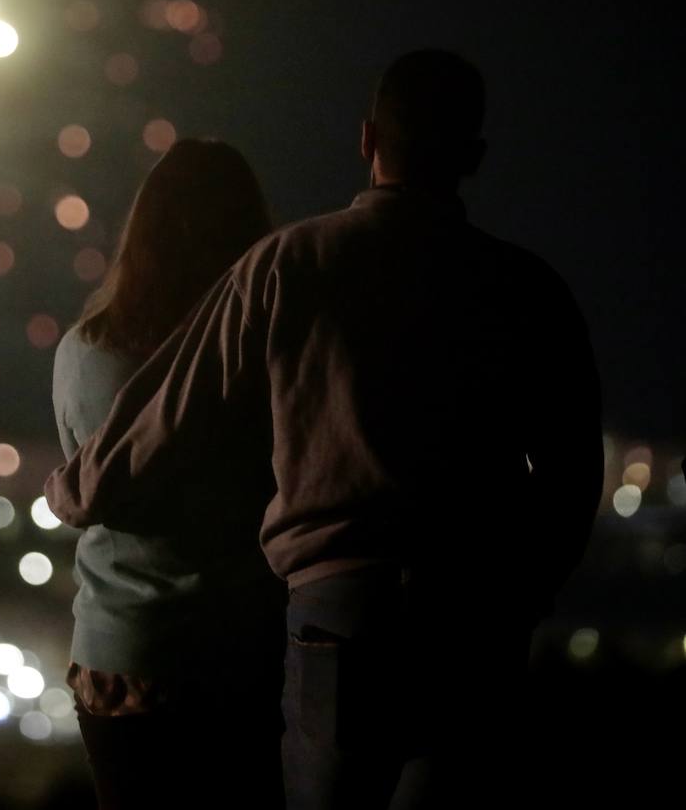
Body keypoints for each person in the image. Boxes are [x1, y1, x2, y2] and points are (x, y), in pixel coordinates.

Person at [45, 50, 602, 808]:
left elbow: (168, 414)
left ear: (368, 138)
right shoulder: (527, 289)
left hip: (337, 621)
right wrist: (518, 599)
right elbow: (571, 483)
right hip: (477, 625)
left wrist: (77, 485)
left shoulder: (289, 265)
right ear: (472, 156)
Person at [51, 138, 284, 808]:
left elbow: (84, 473)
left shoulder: (84, 352)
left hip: (120, 652)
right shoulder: (269, 351)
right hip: (244, 649)